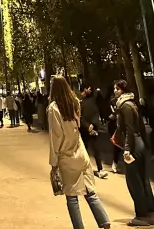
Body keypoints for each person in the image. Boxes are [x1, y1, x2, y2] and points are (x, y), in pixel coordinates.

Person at [48, 75, 111, 229]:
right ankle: (104, 221)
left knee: (72, 197)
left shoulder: (53, 109)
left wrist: (53, 162)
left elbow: (56, 137)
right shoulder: (75, 103)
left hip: (66, 155)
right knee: (90, 191)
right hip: (80, 151)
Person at [113, 80, 154, 227]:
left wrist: (126, 149)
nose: (115, 91)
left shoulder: (125, 106)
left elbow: (129, 130)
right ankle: (152, 214)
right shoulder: (132, 104)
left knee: (134, 182)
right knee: (143, 180)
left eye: (117, 88)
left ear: (122, 90)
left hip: (133, 146)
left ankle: (142, 215)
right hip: (140, 145)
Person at [80, 87, 108, 178]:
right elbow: (80, 116)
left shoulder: (92, 101)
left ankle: (100, 169)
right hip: (85, 129)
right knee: (85, 149)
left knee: (95, 149)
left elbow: (96, 113)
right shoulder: (80, 103)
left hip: (91, 128)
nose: (84, 92)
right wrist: (89, 125)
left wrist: (92, 124)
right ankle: (85, 169)